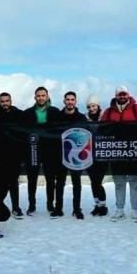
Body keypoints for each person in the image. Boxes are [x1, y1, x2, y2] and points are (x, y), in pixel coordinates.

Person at [99, 86, 137, 221]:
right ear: (116, 96)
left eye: (124, 94)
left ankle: (135, 210)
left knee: (135, 182)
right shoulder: (108, 112)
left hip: (134, 153)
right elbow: (101, 130)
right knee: (119, 183)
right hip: (116, 153)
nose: (122, 96)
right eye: (119, 94)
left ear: (128, 95)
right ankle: (120, 209)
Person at [21, 86, 63, 216]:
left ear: (47, 97)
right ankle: (32, 205)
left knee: (50, 179)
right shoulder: (27, 113)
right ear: (35, 97)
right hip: (33, 150)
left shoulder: (55, 112)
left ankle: (50, 204)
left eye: (43, 95)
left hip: (50, 150)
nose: (41, 98)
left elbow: (61, 128)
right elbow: (21, 130)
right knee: (32, 178)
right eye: (38, 96)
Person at [52, 91, 89, 219]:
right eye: (67, 99)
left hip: (76, 155)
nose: (70, 102)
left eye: (72, 99)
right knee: (60, 183)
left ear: (75, 101)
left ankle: (77, 209)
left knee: (76, 183)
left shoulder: (81, 118)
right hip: (61, 154)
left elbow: (86, 136)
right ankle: (58, 209)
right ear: (64, 101)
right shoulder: (57, 117)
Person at [83, 95, 109, 216]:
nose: (91, 108)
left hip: (102, 154)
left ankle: (103, 206)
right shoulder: (84, 119)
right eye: (89, 107)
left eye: (93, 106)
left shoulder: (105, 117)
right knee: (93, 181)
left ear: (98, 106)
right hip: (89, 154)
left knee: (98, 181)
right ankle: (97, 205)